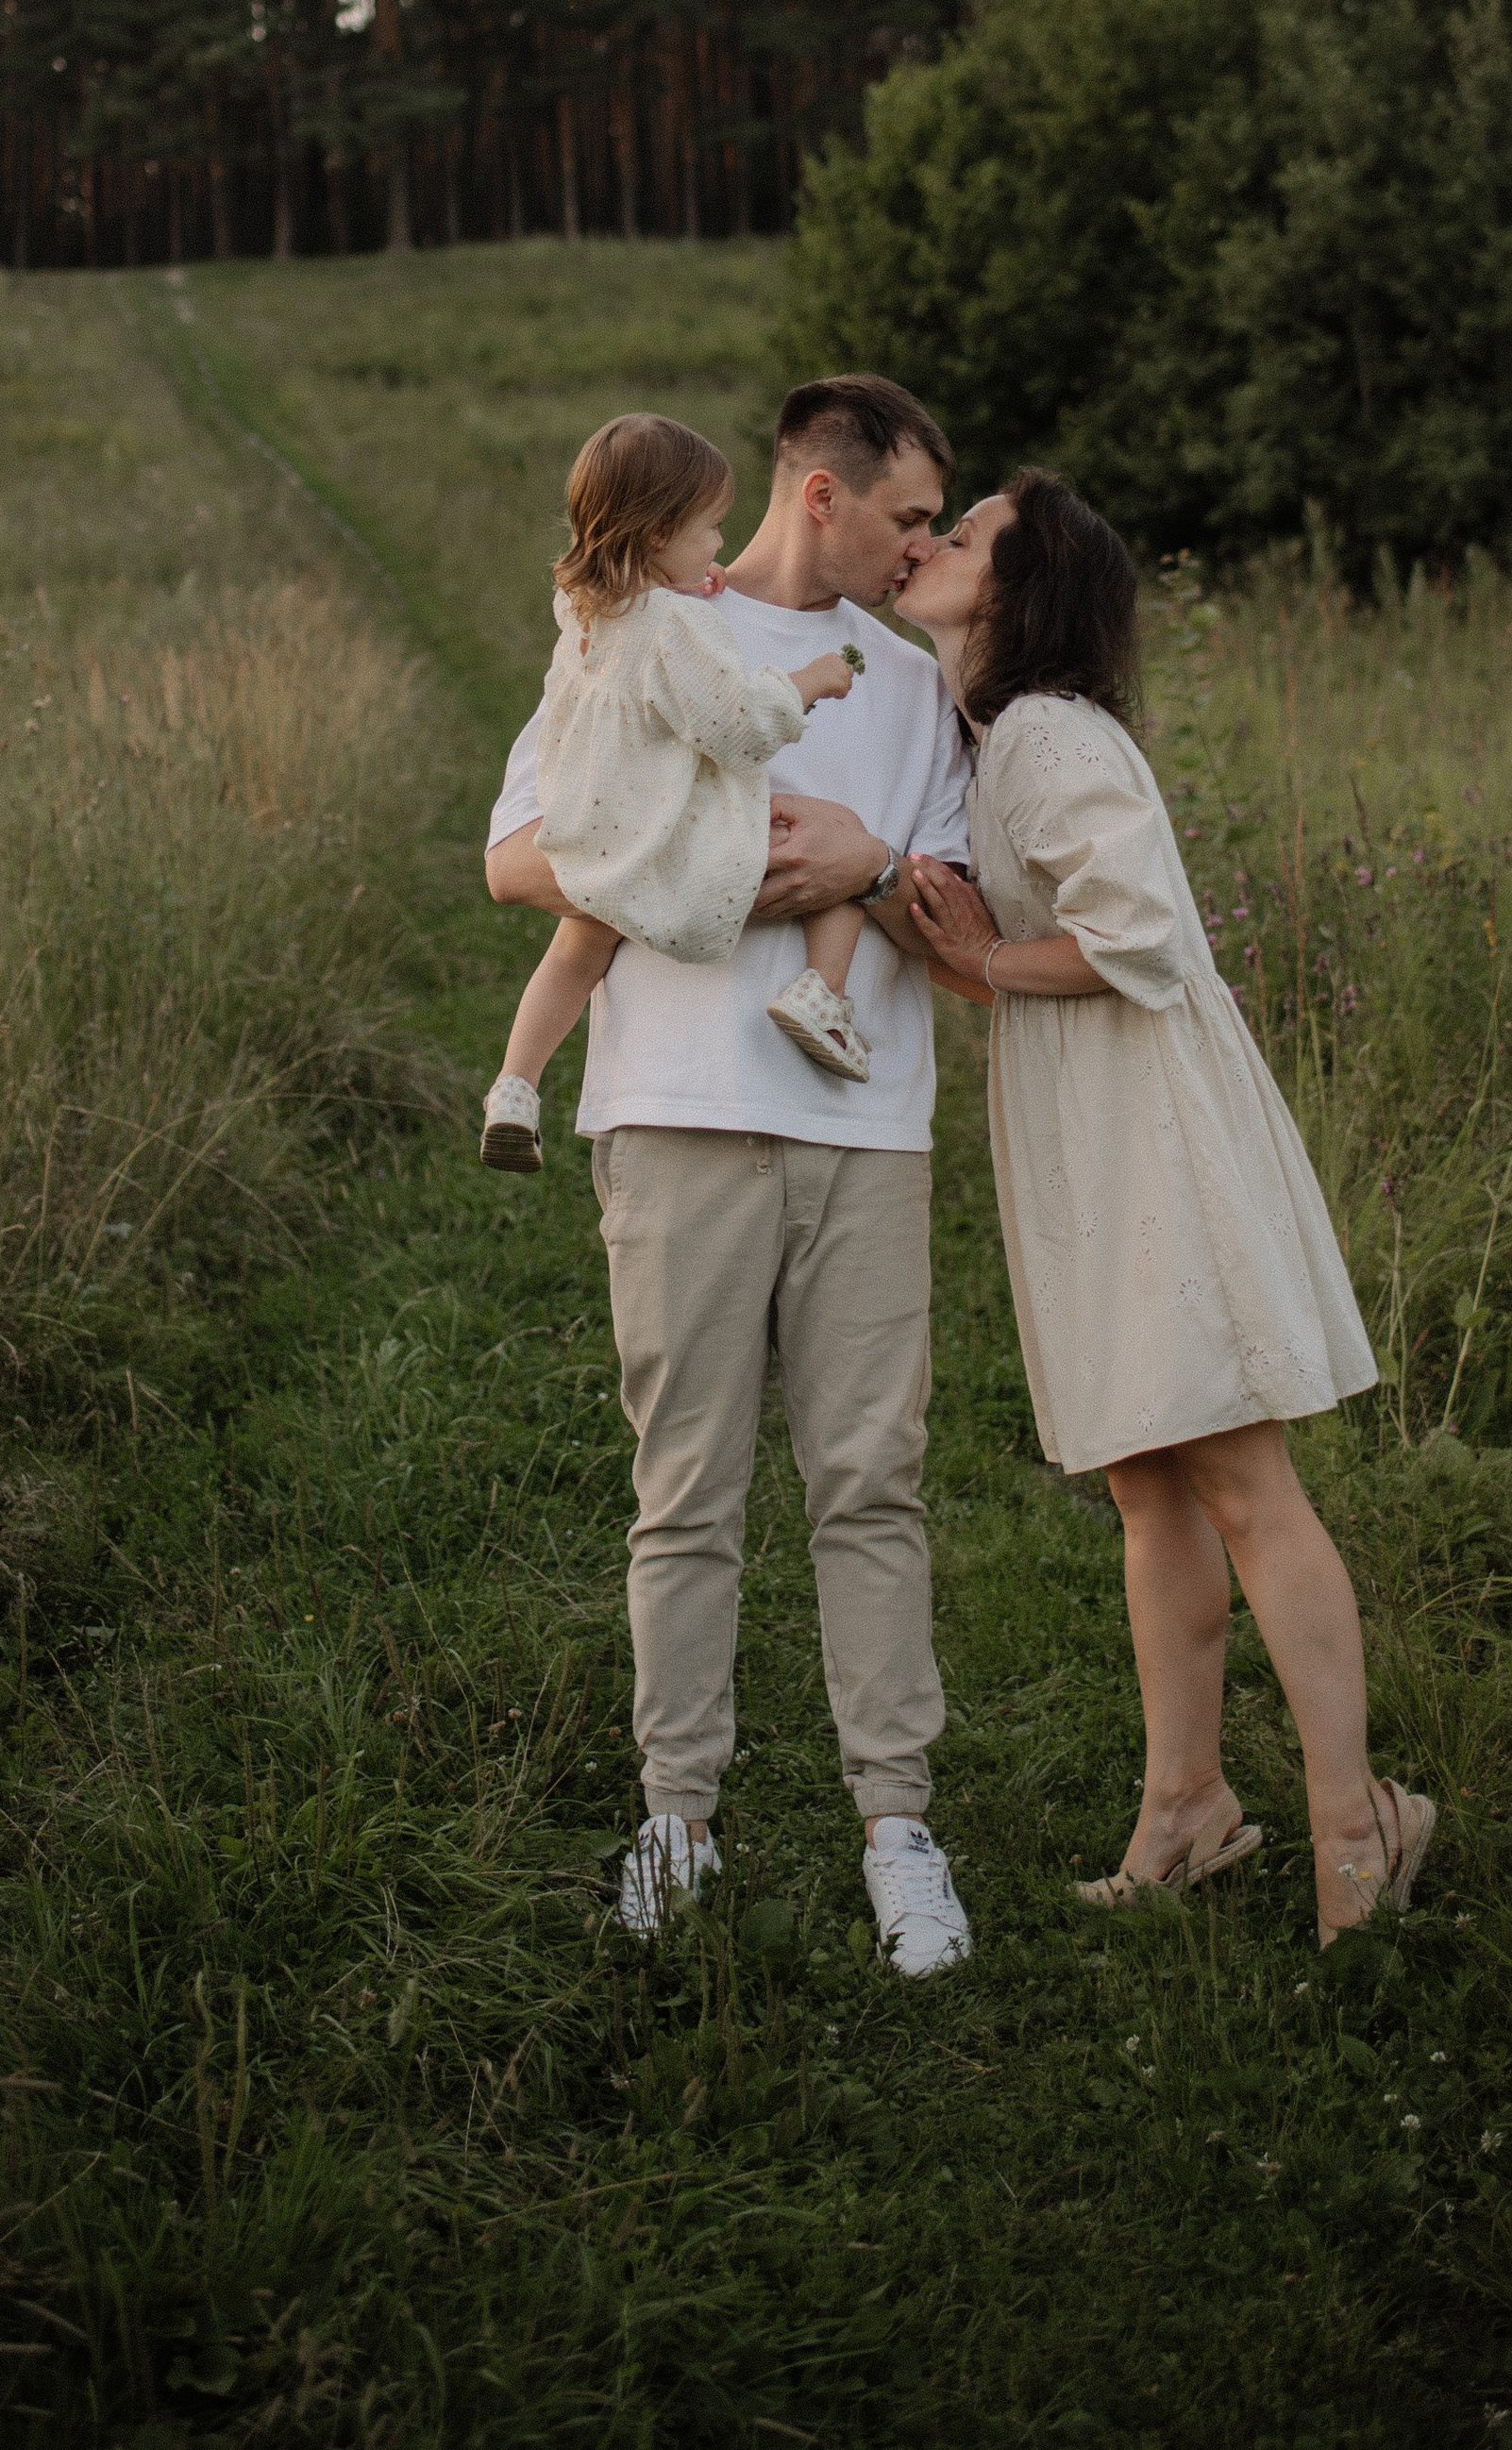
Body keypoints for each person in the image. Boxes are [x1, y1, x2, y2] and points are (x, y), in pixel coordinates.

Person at [897, 471, 1436, 1946]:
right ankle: (1187, 1806)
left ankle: (1357, 1830)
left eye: (968, 534)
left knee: (1246, 1483)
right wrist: (972, 952)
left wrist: (991, 967)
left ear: (1021, 589)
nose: (935, 546)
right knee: (1148, 1483)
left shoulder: (1052, 732)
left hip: (1148, 1126)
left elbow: (1139, 934)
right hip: (1086, 1117)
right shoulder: (996, 734)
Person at [485, 374, 977, 1972]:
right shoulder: (632, 630)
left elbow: (962, 920)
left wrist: (870, 869)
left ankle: (896, 1821)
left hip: (865, 1127)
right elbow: (512, 852)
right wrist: (710, 867)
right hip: (677, 1115)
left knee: (869, 1482)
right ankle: (676, 1813)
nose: (923, 552)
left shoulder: (913, 691)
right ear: (818, 494)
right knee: (685, 1489)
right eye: (907, 517)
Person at [479, 411, 874, 1174]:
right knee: (843, 851)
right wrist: (811, 682)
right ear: (660, 533)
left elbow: (647, 641)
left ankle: (516, 1086)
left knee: (574, 954)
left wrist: (692, 589)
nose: (720, 545)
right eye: (710, 529)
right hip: (667, 837)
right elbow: (737, 726)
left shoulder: (586, 609)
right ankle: (821, 1000)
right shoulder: (674, 628)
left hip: (592, 831)